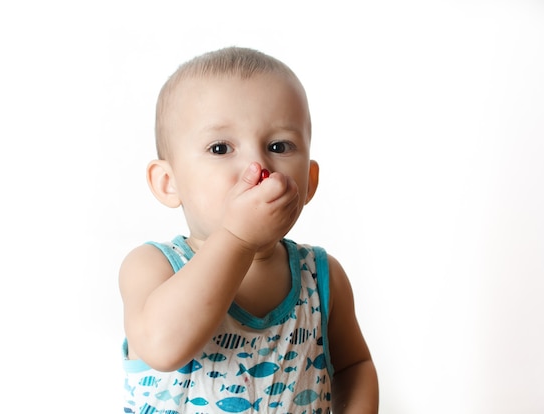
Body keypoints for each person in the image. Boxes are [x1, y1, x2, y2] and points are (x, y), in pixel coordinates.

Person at [119, 46, 379, 413]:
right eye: (221, 147)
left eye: (278, 145)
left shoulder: (322, 277)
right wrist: (237, 238)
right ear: (167, 182)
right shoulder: (153, 267)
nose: (257, 166)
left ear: (310, 180)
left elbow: (355, 367)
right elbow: (163, 348)